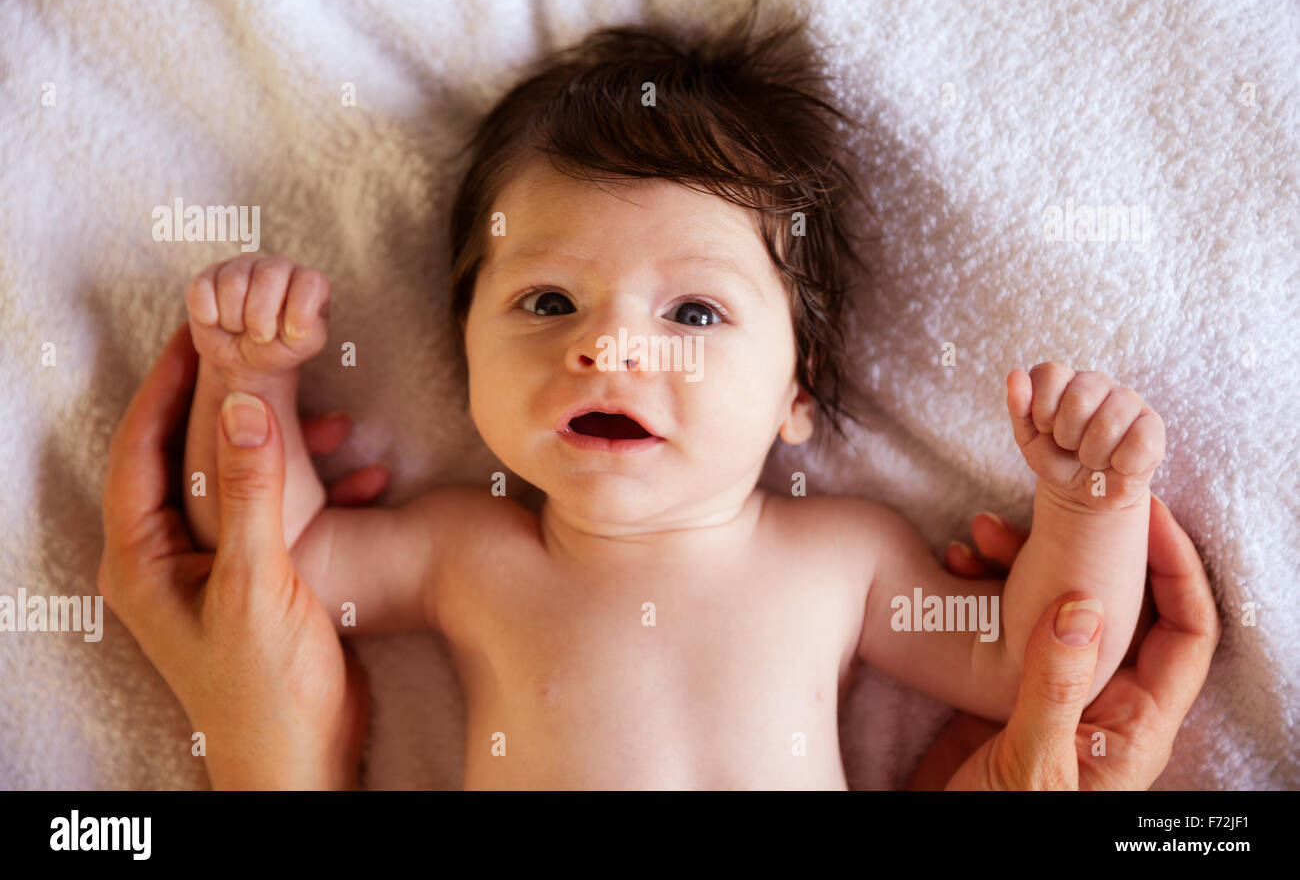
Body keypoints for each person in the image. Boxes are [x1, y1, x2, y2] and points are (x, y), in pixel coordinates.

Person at [100, 322, 1219, 789]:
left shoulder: (840, 553)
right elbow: (272, 564)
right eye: (547, 301)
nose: (610, 340)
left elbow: (1037, 664)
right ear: (469, 361)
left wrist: (1086, 508)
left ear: (794, 391)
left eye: (691, 309)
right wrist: (255, 386)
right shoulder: (467, 544)